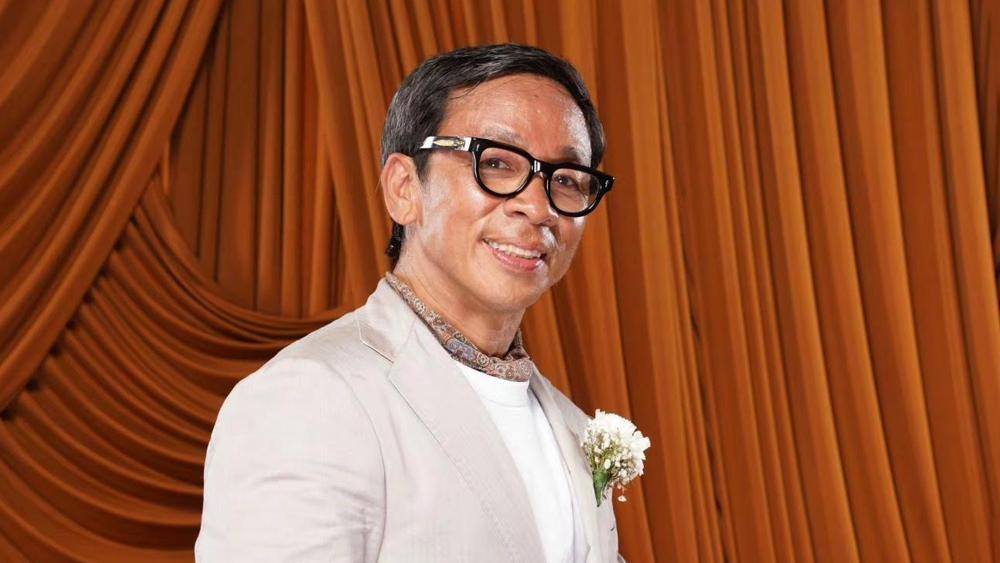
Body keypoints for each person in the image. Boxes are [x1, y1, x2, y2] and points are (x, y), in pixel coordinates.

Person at [196, 43, 623, 562]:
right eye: (496, 163)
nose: (538, 207)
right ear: (403, 188)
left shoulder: (571, 426)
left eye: (567, 179)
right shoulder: (311, 397)